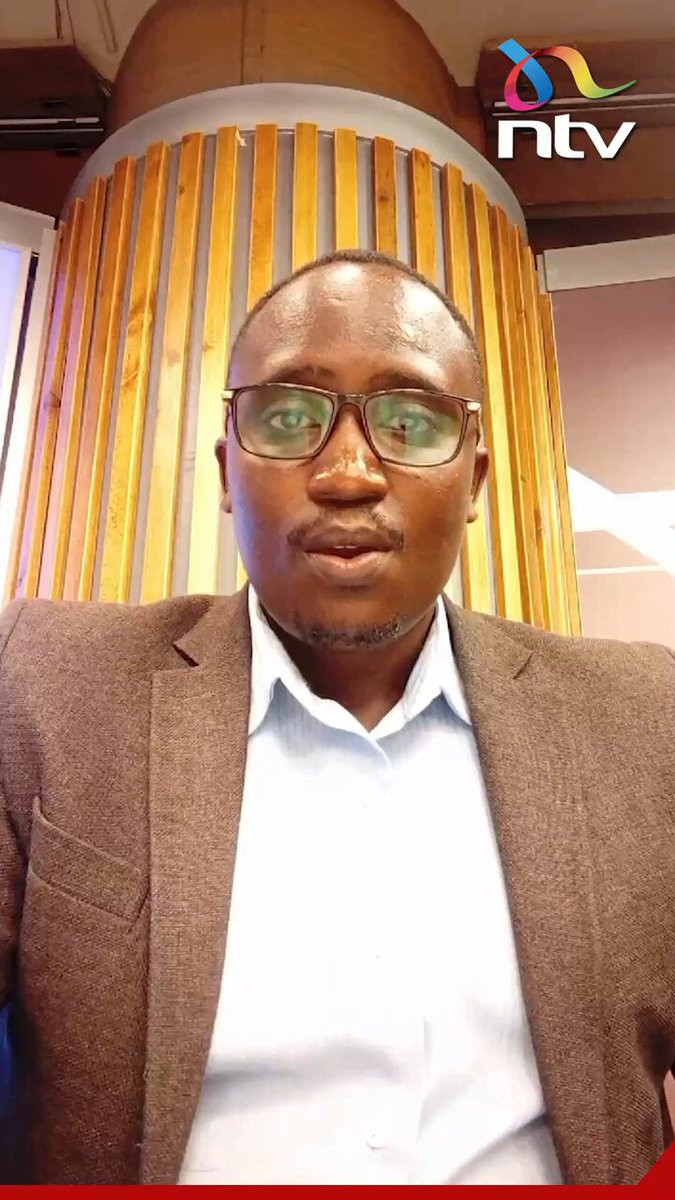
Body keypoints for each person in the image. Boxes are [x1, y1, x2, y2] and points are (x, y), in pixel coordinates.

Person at [0, 248, 673, 1187]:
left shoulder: (644, 719)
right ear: (228, 471)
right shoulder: (48, 685)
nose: (349, 473)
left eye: (409, 420)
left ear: (474, 480)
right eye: (287, 417)